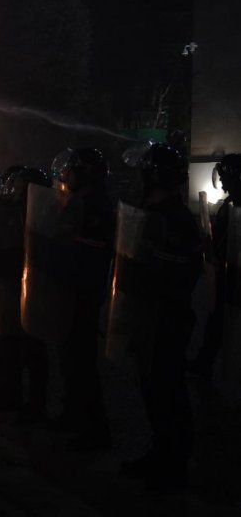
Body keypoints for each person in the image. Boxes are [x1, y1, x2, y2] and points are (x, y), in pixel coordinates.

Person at [118, 144, 202, 491]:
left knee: (168, 391)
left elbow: (173, 273)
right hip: (151, 317)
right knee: (154, 389)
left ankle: (173, 464)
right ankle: (161, 452)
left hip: (165, 319)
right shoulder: (159, 214)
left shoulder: (173, 220)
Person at [51, 148, 114, 450]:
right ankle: (73, 412)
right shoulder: (80, 202)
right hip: (70, 287)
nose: (67, 176)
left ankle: (95, 427)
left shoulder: (96, 207)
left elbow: (88, 247)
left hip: (84, 290)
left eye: (72, 170)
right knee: (70, 356)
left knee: (82, 360)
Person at [2, 167, 52, 423]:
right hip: (17, 287)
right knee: (20, 348)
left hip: (36, 292)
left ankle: (36, 403)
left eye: (22, 188)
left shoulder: (44, 217)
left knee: (34, 351)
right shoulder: (16, 213)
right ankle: (18, 396)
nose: (16, 192)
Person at [188, 153, 241, 378]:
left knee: (219, 319)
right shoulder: (231, 203)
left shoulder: (234, 205)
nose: (222, 182)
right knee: (217, 319)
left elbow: (225, 240)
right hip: (227, 271)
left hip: (232, 273)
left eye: (224, 177)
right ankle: (204, 362)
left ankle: (205, 363)